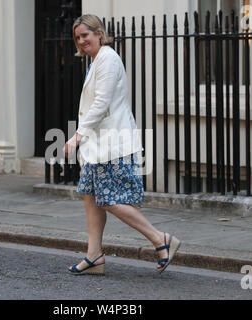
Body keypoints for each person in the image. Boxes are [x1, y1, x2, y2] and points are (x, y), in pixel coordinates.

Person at [63, 14, 180, 275]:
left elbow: (101, 104)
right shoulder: (95, 62)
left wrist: (76, 136)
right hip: (99, 146)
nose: (82, 41)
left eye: (86, 35)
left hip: (112, 144)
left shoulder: (107, 59)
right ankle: (94, 256)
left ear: (99, 34)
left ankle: (161, 239)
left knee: (109, 199)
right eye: (78, 37)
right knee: (91, 196)